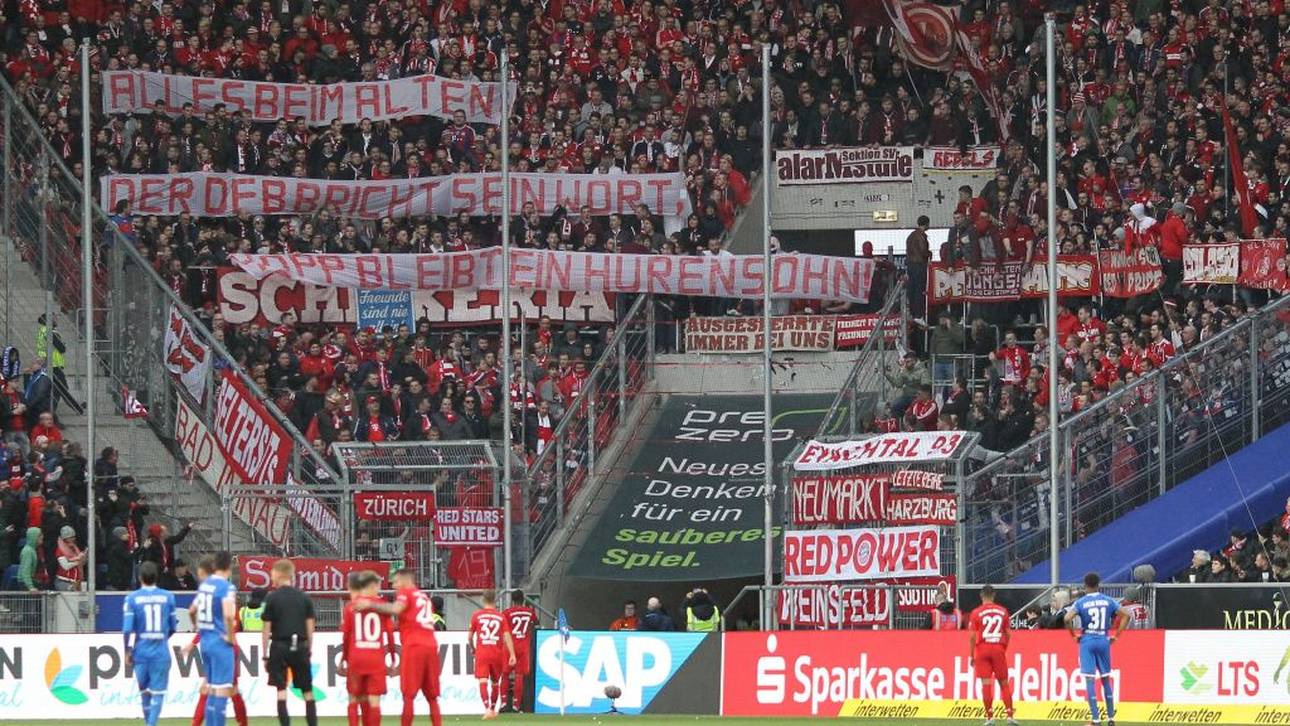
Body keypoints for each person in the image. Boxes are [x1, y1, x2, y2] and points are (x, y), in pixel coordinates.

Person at [354, 568, 443, 726]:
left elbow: (396, 609)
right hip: (431, 645)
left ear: (404, 580)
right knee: (432, 697)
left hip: (414, 645)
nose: (394, 585)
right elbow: (412, 618)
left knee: (408, 695)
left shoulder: (406, 593)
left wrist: (370, 604)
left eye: (395, 581)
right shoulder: (424, 596)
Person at [186, 557, 251, 726]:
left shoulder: (205, 586)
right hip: (223, 645)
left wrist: (196, 627)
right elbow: (229, 616)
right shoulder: (226, 587)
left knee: (211, 688)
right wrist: (229, 636)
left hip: (206, 643)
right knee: (223, 689)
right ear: (228, 569)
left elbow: (192, 611)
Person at [1065, 572, 1128, 726]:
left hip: (1087, 640)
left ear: (1085, 586)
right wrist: (1117, 636)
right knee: (1106, 679)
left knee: (1089, 680)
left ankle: (1095, 720)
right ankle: (1111, 719)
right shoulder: (1108, 600)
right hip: (1103, 640)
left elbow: (1067, 618)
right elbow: (1126, 615)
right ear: (1098, 584)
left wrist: (1073, 635)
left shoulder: (1081, 602)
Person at [261, 559, 318, 726]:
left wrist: (265, 655)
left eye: (272, 572)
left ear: (279, 574)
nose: (271, 576)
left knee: (281, 691)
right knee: (307, 691)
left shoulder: (272, 598)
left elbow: (266, 629)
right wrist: (308, 648)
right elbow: (310, 627)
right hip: (300, 645)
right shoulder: (304, 598)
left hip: (279, 646)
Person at [124, 562, 178, 726]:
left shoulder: (132, 598)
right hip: (160, 652)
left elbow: (127, 630)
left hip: (141, 652)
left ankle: (150, 723)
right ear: (157, 577)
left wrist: (127, 650)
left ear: (139, 577)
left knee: (144, 692)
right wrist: (161, 638)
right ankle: (151, 724)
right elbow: (173, 627)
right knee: (158, 692)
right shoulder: (168, 597)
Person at [340, 571, 395, 726]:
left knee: (353, 699)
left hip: (356, 657)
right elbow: (390, 634)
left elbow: (346, 636)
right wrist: (391, 658)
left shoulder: (351, 607)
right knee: (374, 701)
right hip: (375, 659)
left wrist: (344, 658)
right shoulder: (382, 607)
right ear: (372, 585)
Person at [968, 585, 1017, 726]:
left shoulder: (976, 612)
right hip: (998, 648)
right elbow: (1008, 634)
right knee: (1003, 683)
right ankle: (1009, 716)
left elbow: (972, 637)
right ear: (994, 595)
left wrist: (972, 655)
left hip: (982, 649)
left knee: (986, 684)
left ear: (981, 596)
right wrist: (1003, 648)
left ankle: (990, 718)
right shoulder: (1003, 611)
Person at [468, 589, 517, 719]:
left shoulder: (476, 615)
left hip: (482, 652)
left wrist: (473, 648)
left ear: (483, 600)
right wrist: (512, 654)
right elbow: (507, 636)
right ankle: (494, 709)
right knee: (495, 682)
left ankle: (487, 709)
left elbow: (469, 636)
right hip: (497, 653)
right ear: (495, 600)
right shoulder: (500, 617)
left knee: (483, 680)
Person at [502, 590, 538, 712]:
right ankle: (516, 705)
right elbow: (535, 623)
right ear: (523, 600)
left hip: (510, 646)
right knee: (519, 676)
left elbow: (503, 629)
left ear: (512, 600)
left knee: (505, 674)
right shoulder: (530, 612)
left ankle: (503, 703)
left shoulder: (507, 612)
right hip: (523, 646)